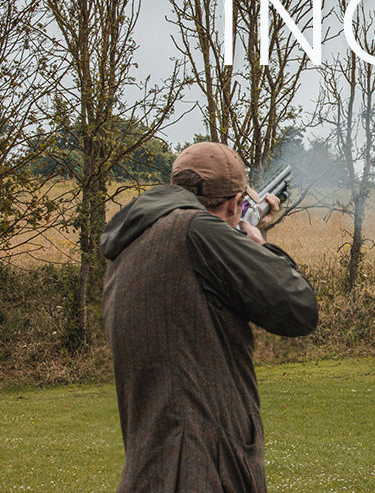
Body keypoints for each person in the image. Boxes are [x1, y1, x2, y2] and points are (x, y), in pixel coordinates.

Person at [101, 142, 318, 493]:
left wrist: (237, 237)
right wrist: (258, 246)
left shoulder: (131, 244)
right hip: (204, 468)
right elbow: (298, 309)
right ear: (234, 203)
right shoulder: (197, 231)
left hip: (150, 470)